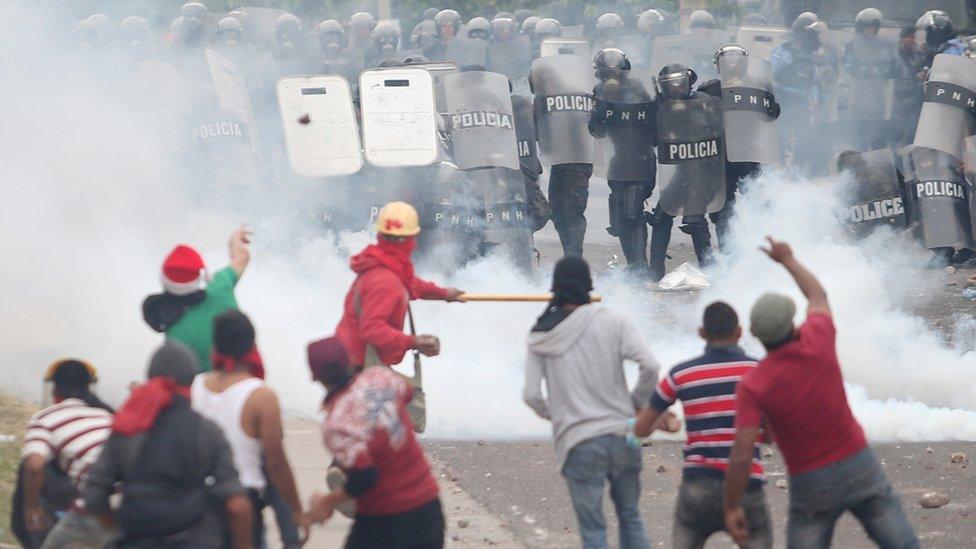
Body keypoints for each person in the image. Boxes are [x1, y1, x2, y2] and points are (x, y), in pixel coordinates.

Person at [724, 237, 919, 548]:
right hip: (858, 462)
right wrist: (787, 260)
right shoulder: (818, 338)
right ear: (793, 325)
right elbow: (817, 294)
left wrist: (732, 504)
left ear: (758, 337)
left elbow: (743, 453)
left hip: (810, 481)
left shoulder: (754, 384)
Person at [522, 256, 662, 549]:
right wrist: (634, 405)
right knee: (630, 516)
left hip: (578, 442)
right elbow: (650, 366)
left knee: (593, 530)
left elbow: (532, 396)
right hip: (624, 435)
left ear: (555, 288)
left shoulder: (540, 335)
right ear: (588, 285)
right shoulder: (612, 321)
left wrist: (558, 414)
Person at [81, 342, 254, 548]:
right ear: (190, 380)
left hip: (135, 537)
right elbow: (237, 507)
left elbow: (94, 494)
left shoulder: (127, 427)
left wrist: (115, 527)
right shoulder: (207, 431)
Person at [634, 302, 771, 548]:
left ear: (702, 333)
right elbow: (770, 435)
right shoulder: (760, 371)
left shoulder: (681, 374)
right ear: (739, 332)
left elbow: (641, 428)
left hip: (698, 485)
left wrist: (663, 423)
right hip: (747, 484)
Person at [305, 337, 445, 548]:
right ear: (349, 361)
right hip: (428, 507)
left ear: (316, 377)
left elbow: (365, 477)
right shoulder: (381, 378)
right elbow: (407, 393)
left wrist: (327, 501)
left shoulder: (337, 425)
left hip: (384, 520)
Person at [191, 310, 310, 547]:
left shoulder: (196, 385)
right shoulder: (261, 396)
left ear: (215, 344)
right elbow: (276, 463)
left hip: (197, 504)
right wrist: (296, 511)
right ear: (252, 343)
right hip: (242, 508)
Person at [335, 201, 462, 371]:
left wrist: (444, 293)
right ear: (411, 239)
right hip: (359, 366)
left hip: (355, 359)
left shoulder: (384, 264)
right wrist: (414, 342)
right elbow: (372, 329)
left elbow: (409, 282)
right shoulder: (386, 281)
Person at [17, 360, 114, 549]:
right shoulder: (107, 416)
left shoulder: (45, 418)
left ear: (54, 390)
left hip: (99, 504)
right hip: (137, 502)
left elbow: (34, 465)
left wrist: (31, 507)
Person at [142, 226, 250, 372]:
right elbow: (242, 257)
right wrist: (235, 240)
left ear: (163, 280)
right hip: (243, 382)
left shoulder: (173, 334)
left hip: (205, 391)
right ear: (200, 277)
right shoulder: (220, 286)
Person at [589, 48, 656, 271]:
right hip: (619, 160)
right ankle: (633, 265)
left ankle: (640, 266)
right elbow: (596, 131)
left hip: (641, 157)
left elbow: (654, 128)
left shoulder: (640, 90)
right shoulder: (599, 92)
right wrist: (600, 109)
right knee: (620, 216)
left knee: (631, 212)